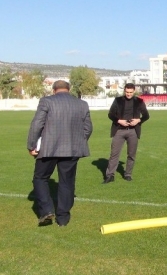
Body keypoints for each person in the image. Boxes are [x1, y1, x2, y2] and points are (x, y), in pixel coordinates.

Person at [27, 80, 93, 227]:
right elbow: (88, 128)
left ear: (53, 89)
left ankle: (47, 210)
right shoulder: (82, 104)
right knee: (67, 182)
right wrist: (79, 142)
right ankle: (63, 218)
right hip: (72, 149)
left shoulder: (46, 101)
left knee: (40, 178)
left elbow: (37, 124)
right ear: (69, 89)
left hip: (49, 149)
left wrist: (31, 145)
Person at [104, 83, 150, 183]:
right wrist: (118, 121)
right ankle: (110, 175)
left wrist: (139, 121)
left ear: (134, 91)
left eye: (130, 92)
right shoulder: (118, 100)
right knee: (114, 154)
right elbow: (110, 114)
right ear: (124, 91)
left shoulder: (139, 101)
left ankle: (128, 174)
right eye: (127, 92)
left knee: (131, 155)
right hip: (119, 130)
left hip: (133, 131)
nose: (128, 94)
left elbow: (146, 115)